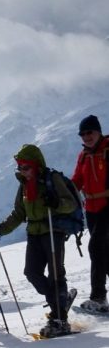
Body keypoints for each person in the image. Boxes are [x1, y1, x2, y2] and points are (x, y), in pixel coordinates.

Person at [0, 144, 80, 337]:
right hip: (34, 232)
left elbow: (70, 203)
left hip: (53, 230)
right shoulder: (24, 186)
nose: (23, 171)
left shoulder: (51, 179)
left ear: (36, 165)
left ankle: (60, 318)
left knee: (55, 274)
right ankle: (59, 303)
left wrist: (56, 203)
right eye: (20, 167)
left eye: (26, 167)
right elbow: (19, 213)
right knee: (31, 272)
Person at [71, 114, 109, 313]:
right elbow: (77, 180)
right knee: (104, 252)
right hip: (91, 209)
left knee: (95, 248)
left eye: (90, 132)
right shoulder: (83, 155)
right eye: (83, 133)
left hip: (107, 205)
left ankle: (98, 297)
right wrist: (64, 192)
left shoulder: (107, 150)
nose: (86, 136)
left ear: (98, 131)